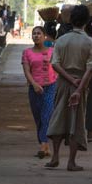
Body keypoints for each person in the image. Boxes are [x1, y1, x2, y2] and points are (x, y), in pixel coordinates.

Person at [46, 4, 92, 172]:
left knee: (58, 117)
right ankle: (71, 162)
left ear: (70, 20)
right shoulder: (90, 43)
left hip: (62, 83)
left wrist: (68, 79)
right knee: (76, 122)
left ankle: (55, 157)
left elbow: (55, 64)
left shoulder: (61, 40)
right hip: (81, 84)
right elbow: (90, 70)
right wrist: (78, 88)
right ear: (86, 21)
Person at [22, 26, 57, 159]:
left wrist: (57, 81)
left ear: (44, 36)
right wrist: (34, 84)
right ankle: (45, 145)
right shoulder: (27, 53)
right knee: (38, 118)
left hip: (50, 87)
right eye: (34, 34)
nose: (36, 36)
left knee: (46, 116)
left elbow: (57, 67)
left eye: (39, 33)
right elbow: (26, 71)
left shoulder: (52, 51)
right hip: (34, 88)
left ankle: (43, 144)